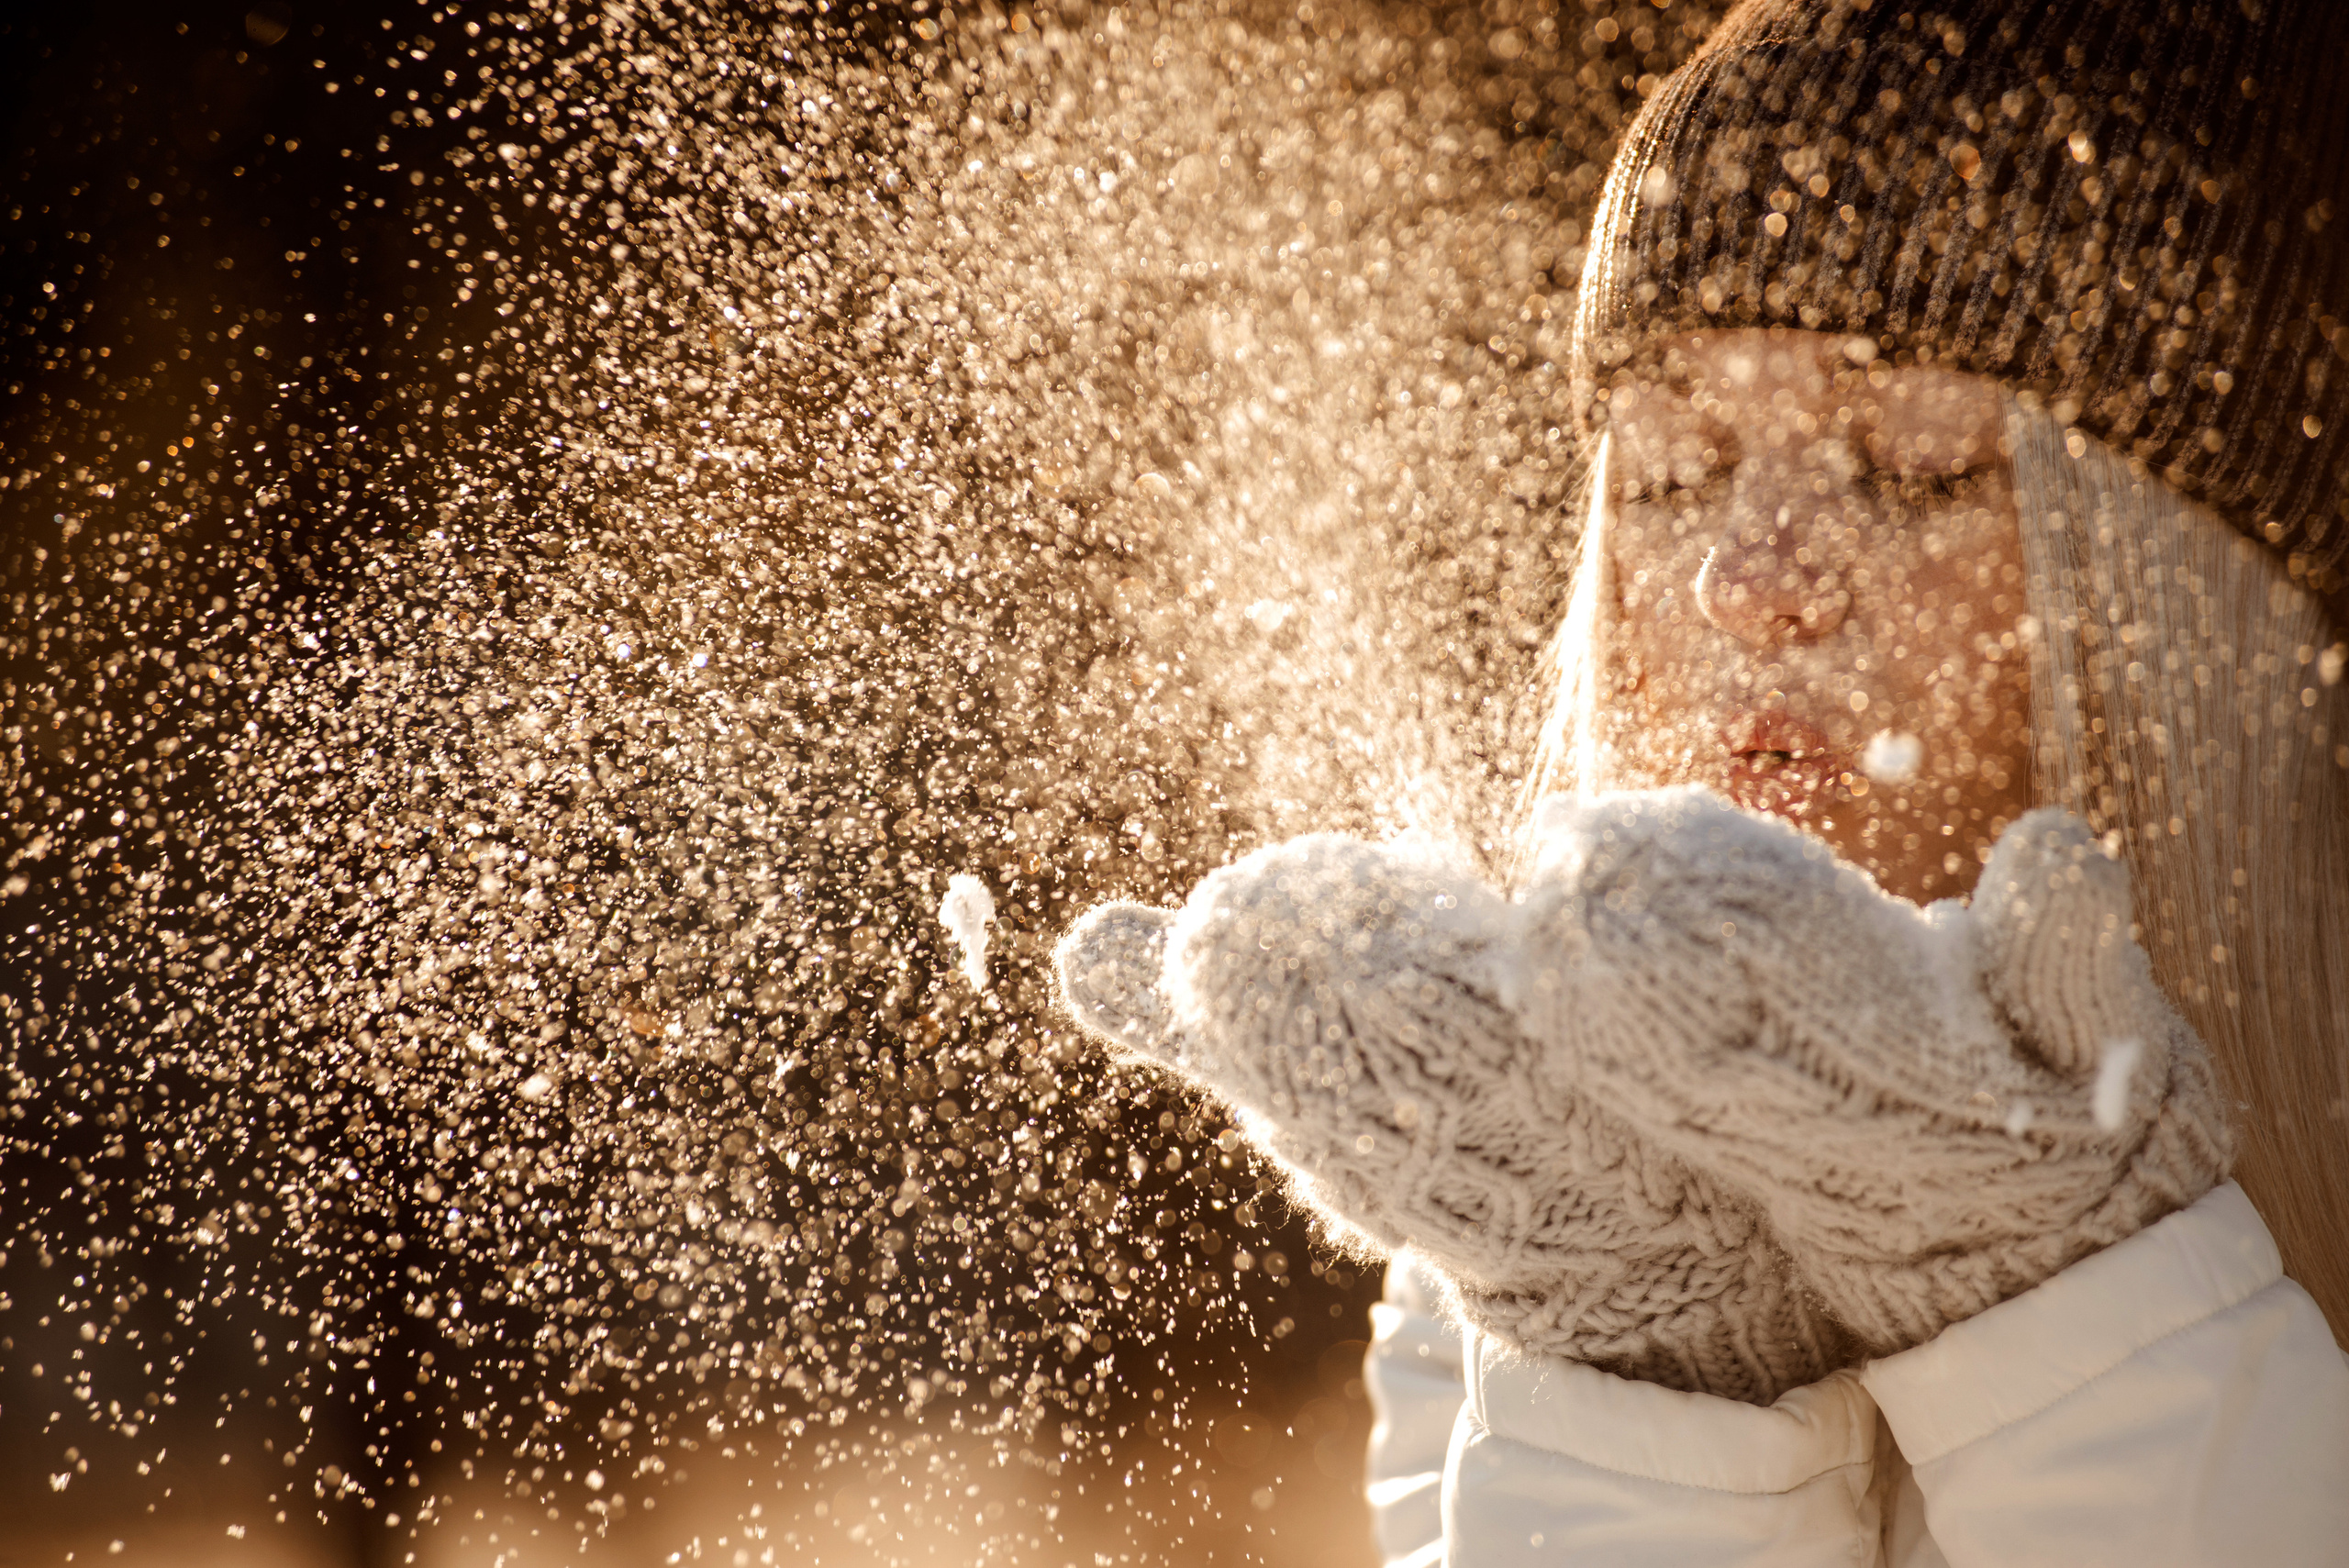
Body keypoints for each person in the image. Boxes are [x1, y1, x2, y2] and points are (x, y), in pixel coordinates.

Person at [1055, 0, 2349, 1562]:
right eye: (1672, 473)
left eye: (1922, 464)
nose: (1748, 578)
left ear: (2227, 641)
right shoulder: (1528, 1214)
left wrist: (2088, 1301)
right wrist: (1648, 1365)